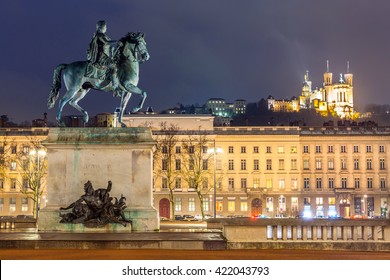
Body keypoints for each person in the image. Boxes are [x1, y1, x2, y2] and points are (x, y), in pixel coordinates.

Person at [87, 20, 121, 92]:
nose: (106, 28)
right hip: (102, 57)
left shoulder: (102, 35)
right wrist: (117, 42)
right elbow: (106, 43)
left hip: (106, 56)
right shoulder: (100, 35)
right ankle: (115, 86)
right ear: (100, 28)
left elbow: (108, 46)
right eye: (105, 27)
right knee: (114, 66)